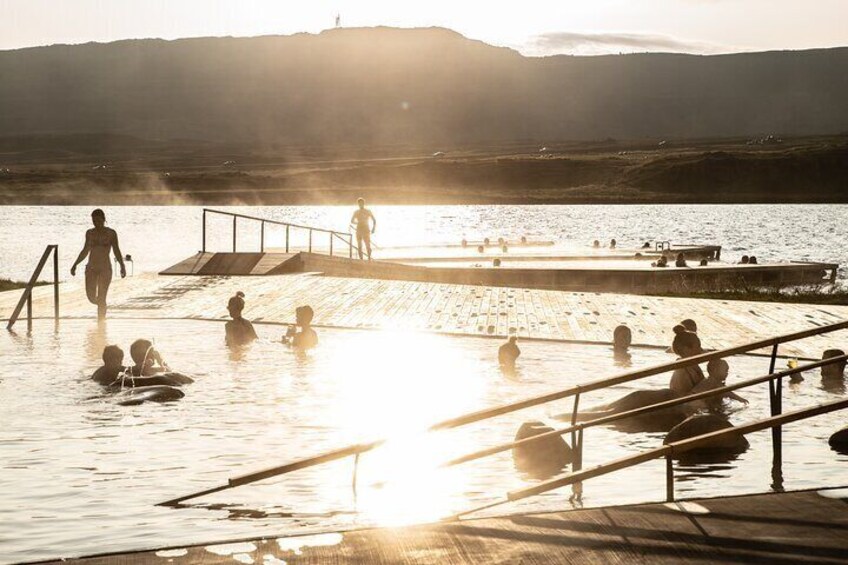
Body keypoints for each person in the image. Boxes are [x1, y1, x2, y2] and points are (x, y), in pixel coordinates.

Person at [70, 208, 126, 319]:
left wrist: (122, 266)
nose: (96, 223)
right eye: (94, 221)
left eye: (98, 221)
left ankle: (101, 324)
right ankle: (102, 305)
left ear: (104, 220)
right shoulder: (90, 233)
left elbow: (116, 250)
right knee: (91, 297)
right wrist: (75, 264)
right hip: (91, 268)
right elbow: (85, 250)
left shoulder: (111, 233)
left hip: (105, 269)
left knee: (101, 296)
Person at [93, 344, 192, 388]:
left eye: (120, 360)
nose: (120, 363)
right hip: (107, 388)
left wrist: (159, 361)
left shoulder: (104, 370)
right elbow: (134, 369)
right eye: (118, 360)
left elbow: (133, 369)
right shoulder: (110, 369)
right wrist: (150, 362)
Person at [668, 325, 706, 397]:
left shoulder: (692, 365)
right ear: (686, 349)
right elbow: (684, 395)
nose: (700, 350)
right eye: (698, 346)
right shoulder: (682, 370)